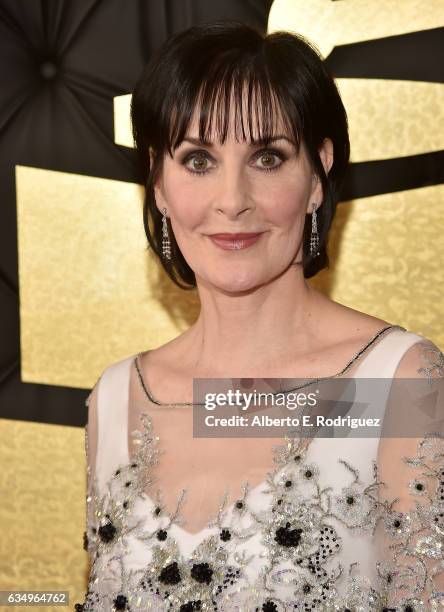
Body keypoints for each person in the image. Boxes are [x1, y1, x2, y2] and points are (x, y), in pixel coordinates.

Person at [75, 21, 444, 611]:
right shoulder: (117, 400)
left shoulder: (396, 383)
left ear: (317, 173)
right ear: (159, 183)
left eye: (267, 156)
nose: (232, 198)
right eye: (198, 160)